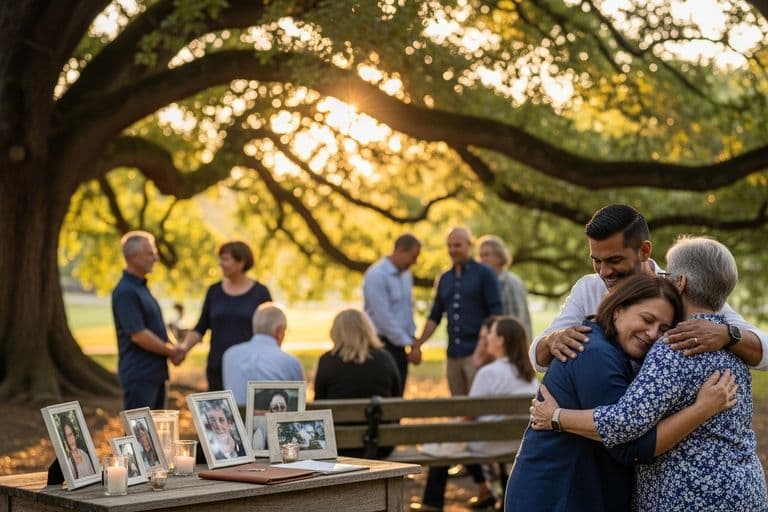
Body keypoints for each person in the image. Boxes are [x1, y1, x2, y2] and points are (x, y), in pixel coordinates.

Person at [530, 237, 768, 510]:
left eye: (667, 275)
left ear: (680, 283)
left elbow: (623, 423)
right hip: (746, 488)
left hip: (691, 494)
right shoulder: (737, 349)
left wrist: (555, 417)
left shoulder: (675, 346)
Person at [505, 273, 736, 511]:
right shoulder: (593, 353)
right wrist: (701, 409)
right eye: (647, 319)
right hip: (558, 494)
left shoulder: (614, 351)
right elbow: (630, 448)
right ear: (618, 310)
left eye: (663, 328)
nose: (652, 333)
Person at [530, 204, 768, 372]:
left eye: (614, 260)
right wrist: (553, 340)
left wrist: (728, 335)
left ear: (644, 251)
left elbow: (765, 352)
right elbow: (537, 359)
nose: (603, 272)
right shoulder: (588, 289)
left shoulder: (681, 289)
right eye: (596, 260)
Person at [413, 316, 538, 511]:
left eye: (491, 334)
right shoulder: (530, 376)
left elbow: (469, 416)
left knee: (449, 440)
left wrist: (449, 431)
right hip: (518, 443)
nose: (487, 338)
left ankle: (431, 503)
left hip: (487, 444)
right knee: (459, 436)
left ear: (501, 340)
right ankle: (497, 496)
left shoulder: (488, 373)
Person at [410, 227, 502, 396]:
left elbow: (496, 314)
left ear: (469, 245)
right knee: (458, 407)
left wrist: (484, 348)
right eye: (449, 246)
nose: (452, 250)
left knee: (479, 408)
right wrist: (418, 344)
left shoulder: (485, 274)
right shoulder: (445, 278)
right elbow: (435, 316)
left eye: (457, 245)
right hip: (452, 355)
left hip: (477, 353)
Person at [178, 241, 272, 391]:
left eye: (225, 259)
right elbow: (200, 327)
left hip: (250, 367)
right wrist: (183, 350)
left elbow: (270, 332)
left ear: (241, 262)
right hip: (217, 367)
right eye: (220, 258)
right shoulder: (214, 291)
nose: (220, 263)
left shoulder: (260, 293)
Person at [314, 309, 401, 458]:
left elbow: (319, 403)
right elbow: (396, 398)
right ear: (367, 329)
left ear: (336, 332)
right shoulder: (386, 359)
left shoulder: (327, 361)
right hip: (381, 444)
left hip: (337, 445)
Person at [112, 231, 179, 410]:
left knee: (154, 434)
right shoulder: (126, 291)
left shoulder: (141, 288)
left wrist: (173, 346)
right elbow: (139, 335)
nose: (155, 257)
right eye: (150, 253)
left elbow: (156, 327)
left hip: (155, 374)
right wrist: (171, 352)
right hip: (139, 375)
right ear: (134, 256)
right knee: (138, 434)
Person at [363, 234, 421, 395]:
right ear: (401, 250)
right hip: (380, 344)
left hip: (400, 346)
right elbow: (384, 317)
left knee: (398, 392)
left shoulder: (406, 275)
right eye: (413, 257)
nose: (415, 262)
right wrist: (407, 342)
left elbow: (407, 310)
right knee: (382, 393)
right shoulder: (376, 275)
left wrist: (413, 340)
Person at [222, 302, 304, 406]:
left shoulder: (229, 355)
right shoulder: (290, 362)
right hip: (271, 421)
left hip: (239, 422)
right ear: (279, 331)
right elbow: (300, 405)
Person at [477, 235, 532, 335]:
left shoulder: (511, 283)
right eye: (480, 256)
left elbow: (517, 323)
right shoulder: (485, 283)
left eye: (486, 255)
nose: (482, 260)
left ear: (499, 256)